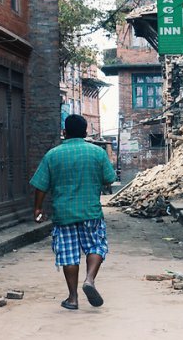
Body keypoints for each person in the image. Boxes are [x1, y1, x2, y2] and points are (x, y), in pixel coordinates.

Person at [30, 114, 117, 310]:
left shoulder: (52, 155)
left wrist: (38, 208)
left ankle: (72, 298)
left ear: (64, 132)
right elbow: (109, 179)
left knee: (69, 255)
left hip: (64, 213)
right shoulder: (97, 153)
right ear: (85, 132)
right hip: (91, 212)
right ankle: (89, 280)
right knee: (96, 246)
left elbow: (40, 186)